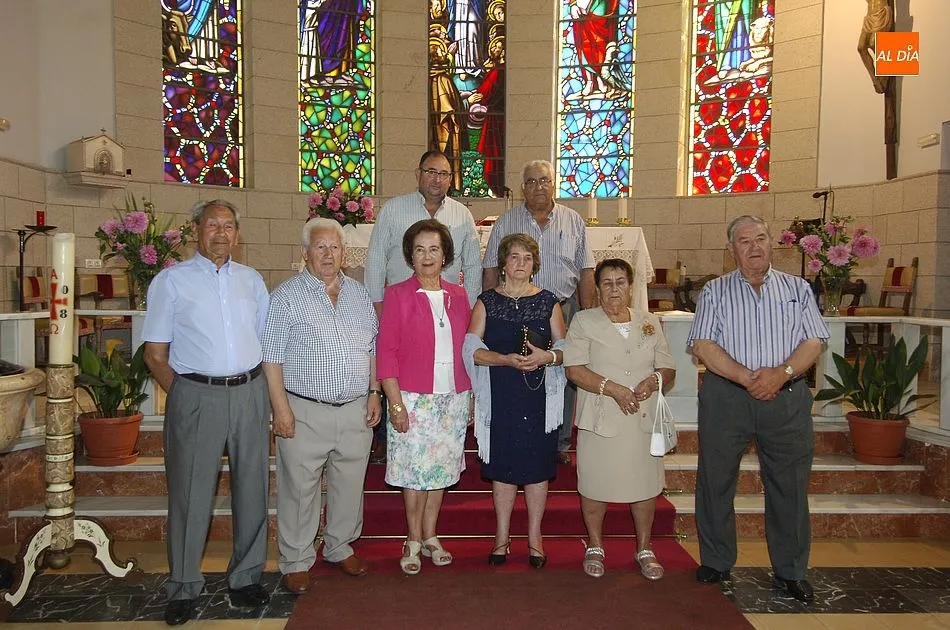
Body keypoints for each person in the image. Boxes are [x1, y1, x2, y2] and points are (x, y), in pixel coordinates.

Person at [142, 200, 271, 626]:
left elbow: (266, 343)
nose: (221, 232)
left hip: (250, 392)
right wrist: (183, 395)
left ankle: (246, 577)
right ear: (195, 229)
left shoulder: (252, 281)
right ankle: (183, 585)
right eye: (212, 224)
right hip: (196, 394)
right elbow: (156, 353)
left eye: (229, 225)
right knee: (190, 494)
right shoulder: (171, 281)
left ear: (237, 233)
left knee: (251, 488)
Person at [687, 215, 829, 602]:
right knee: (715, 481)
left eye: (761, 238)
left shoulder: (797, 289)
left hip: (786, 399)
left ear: (772, 244)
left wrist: (780, 375)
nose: (754, 247)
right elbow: (703, 345)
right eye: (745, 241)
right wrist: (749, 378)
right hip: (727, 398)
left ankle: (791, 570)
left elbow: (814, 341)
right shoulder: (714, 291)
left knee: (789, 487)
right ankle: (716, 560)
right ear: (731, 249)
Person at [261, 218, 381, 595]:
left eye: (335, 248)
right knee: (299, 488)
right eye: (320, 247)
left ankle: (339, 546)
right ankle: (296, 559)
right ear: (305, 252)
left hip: (354, 408)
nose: (328, 255)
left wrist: (374, 391)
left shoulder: (359, 295)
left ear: (345, 253)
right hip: (304, 409)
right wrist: (281, 410)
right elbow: (271, 359)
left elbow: (373, 347)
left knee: (349, 484)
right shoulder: (285, 297)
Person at [365, 150, 481, 463]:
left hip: (445, 307)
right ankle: (390, 437)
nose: (437, 179)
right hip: (399, 307)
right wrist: (377, 304)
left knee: (436, 369)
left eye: (443, 174)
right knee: (394, 367)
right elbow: (376, 257)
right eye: (431, 171)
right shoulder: (394, 209)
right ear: (418, 173)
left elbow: (472, 266)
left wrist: (469, 314)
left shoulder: (462, 215)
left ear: (450, 179)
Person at [563, 258, 675, 580]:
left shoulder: (649, 321)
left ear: (630, 286)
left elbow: (667, 367)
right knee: (596, 484)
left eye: (621, 282)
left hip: (641, 417)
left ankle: (644, 547)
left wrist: (653, 381)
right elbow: (574, 369)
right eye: (607, 283)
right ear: (597, 288)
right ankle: (595, 545)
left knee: (644, 485)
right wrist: (611, 389)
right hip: (601, 417)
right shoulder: (584, 321)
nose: (614, 288)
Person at [463, 233, 567, 568]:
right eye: (513, 257)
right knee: (503, 469)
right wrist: (504, 359)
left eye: (526, 258)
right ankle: (502, 537)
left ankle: (535, 538)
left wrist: (546, 358)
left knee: (537, 468)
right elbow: (470, 350)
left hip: (537, 395)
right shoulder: (486, 301)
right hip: (501, 392)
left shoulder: (548, 301)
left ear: (535, 264)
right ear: (503, 263)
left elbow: (566, 349)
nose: (520, 264)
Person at [376, 219, 473, 575]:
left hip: (452, 398)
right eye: (419, 250)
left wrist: (472, 394)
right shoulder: (398, 294)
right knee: (414, 473)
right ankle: (413, 538)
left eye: (434, 249)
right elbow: (386, 354)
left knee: (440, 471)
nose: (427, 256)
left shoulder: (459, 296)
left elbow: (467, 349)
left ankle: (432, 536)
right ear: (410, 256)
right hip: (413, 398)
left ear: (445, 254)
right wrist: (395, 404)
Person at [482, 159, 595, 465]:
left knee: (564, 368)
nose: (538, 187)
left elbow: (586, 271)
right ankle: (519, 429)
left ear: (552, 183)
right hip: (516, 307)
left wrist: (587, 317)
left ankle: (559, 440)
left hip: (564, 305)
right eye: (531, 182)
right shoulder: (507, 221)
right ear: (523, 188)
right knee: (518, 368)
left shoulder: (573, 220)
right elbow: (491, 265)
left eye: (543, 180)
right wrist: (489, 306)